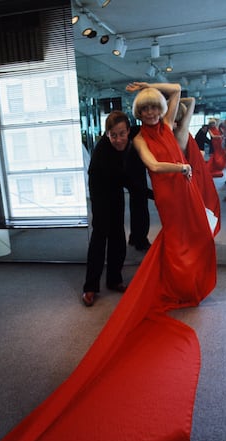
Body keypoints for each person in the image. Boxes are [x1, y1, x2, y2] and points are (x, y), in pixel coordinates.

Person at [125, 81, 217, 309]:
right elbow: (154, 166)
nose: (150, 113)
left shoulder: (167, 125)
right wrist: (180, 167)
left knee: (199, 235)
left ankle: (190, 284)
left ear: (160, 108)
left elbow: (176, 89)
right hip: (168, 194)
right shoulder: (139, 139)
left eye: (154, 107)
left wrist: (147, 86)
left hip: (186, 187)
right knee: (177, 242)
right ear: (139, 113)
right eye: (145, 109)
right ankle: (177, 288)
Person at [82, 110, 152, 307]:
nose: (119, 139)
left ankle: (114, 280)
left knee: (118, 237)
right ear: (107, 134)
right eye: (113, 135)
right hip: (100, 193)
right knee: (99, 238)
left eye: (122, 133)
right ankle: (90, 287)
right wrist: (151, 194)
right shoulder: (102, 154)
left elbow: (149, 126)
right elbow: (128, 182)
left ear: (129, 131)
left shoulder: (132, 135)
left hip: (116, 191)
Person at [174, 97, 221, 235]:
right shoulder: (181, 131)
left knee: (193, 208)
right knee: (198, 205)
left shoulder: (178, 132)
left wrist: (170, 103)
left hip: (193, 172)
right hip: (194, 173)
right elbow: (192, 101)